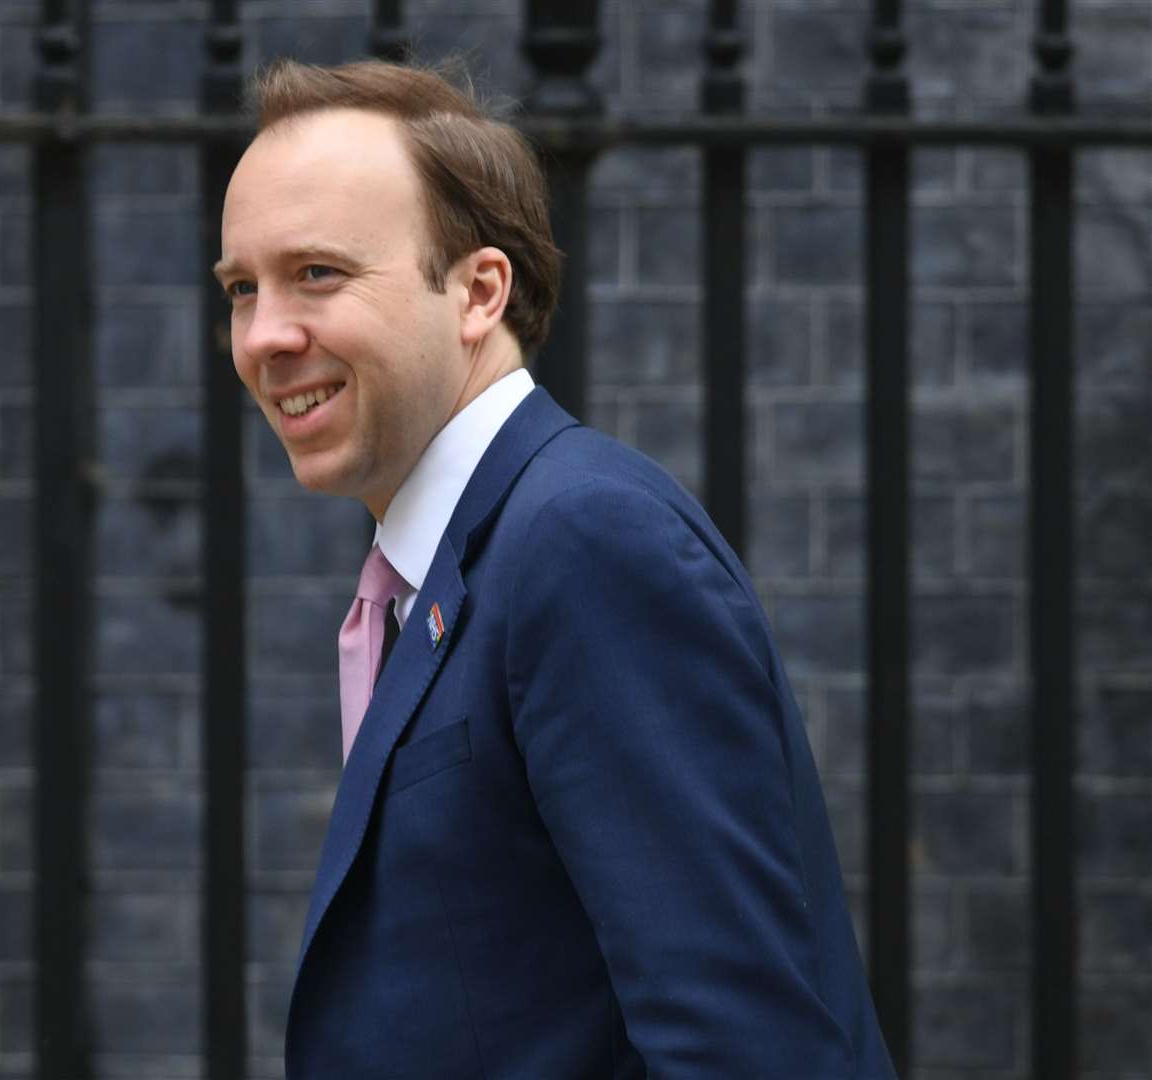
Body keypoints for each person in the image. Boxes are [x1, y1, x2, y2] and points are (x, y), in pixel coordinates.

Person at [213, 58, 896, 1079]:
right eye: (241, 290)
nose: (265, 335)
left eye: (318, 273)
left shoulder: (583, 544)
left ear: (480, 291)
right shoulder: (453, 565)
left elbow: (742, 1045)